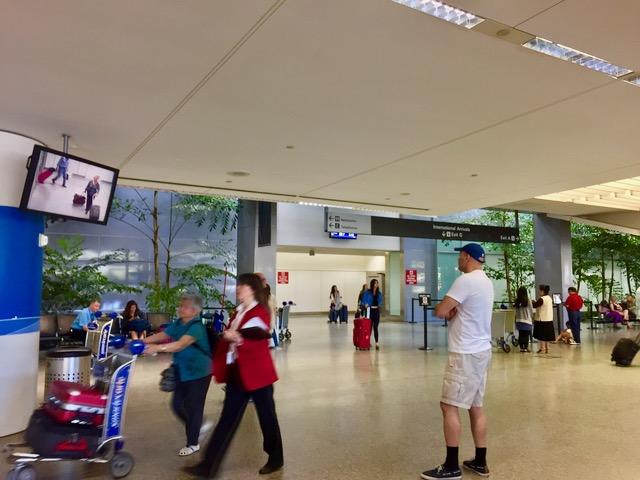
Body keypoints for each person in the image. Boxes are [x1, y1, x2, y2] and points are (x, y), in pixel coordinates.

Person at [182, 273, 284, 478]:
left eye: (242, 285)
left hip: (259, 374)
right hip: (238, 373)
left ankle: (276, 459)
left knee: (267, 418)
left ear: (252, 289)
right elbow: (229, 337)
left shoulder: (260, 311)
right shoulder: (238, 312)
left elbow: (260, 337)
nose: (238, 288)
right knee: (226, 420)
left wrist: (237, 337)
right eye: (238, 285)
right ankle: (207, 466)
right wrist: (225, 337)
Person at [422, 243, 494, 480]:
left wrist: (449, 310)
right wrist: (454, 310)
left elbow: (440, 310)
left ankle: (451, 466)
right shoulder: (485, 281)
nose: (458, 260)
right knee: (476, 406)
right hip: (482, 351)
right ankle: (480, 462)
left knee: (449, 406)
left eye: (460, 256)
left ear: (467, 257)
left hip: (464, 353)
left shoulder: (466, 280)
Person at [144, 294, 212, 457]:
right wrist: (142, 342)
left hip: (199, 372)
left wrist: (157, 349)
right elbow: (163, 335)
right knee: (176, 405)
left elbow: (180, 345)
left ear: (195, 311)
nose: (180, 309)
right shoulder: (179, 323)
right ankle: (199, 426)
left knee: (193, 407)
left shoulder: (197, 327)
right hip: (182, 370)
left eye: (185, 306)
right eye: (180, 305)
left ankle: (193, 443)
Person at [532, 285, 555, 354]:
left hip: (541, 319)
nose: (539, 292)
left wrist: (533, 302)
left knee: (541, 335)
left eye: (540, 290)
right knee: (547, 335)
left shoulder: (542, 299)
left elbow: (535, 305)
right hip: (549, 319)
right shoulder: (549, 298)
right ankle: (547, 347)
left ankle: (542, 347)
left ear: (542, 291)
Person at [362, 279, 383, 350]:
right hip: (370, 311)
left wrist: (380, 305)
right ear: (372, 284)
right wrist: (365, 304)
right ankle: (367, 342)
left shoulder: (379, 293)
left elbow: (380, 301)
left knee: (375, 327)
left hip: (376, 311)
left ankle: (377, 343)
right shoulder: (367, 292)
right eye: (375, 283)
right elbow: (363, 301)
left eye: (377, 283)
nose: (377, 284)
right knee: (369, 327)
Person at [514, 287, 533, 353]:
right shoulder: (528, 300)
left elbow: (515, 310)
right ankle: (526, 347)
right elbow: (531, 310)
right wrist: (532, 317)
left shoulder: (516, 301)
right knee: (526, 335)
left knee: (521, 334)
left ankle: (521, 348)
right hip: (526, 320)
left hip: (519, 320)